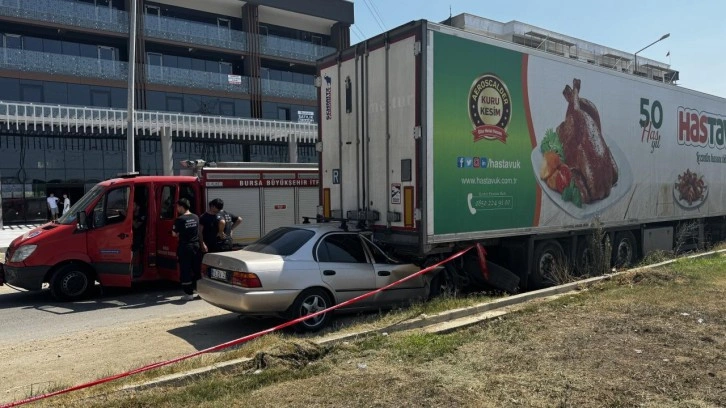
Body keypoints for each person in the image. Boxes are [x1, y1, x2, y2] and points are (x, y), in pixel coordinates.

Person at [171, 198, 201, 301]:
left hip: (185, 247)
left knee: (185, 270)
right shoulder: (196, 217)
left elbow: (174, 234)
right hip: (196, 246)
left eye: (178, 207)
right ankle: (200, 292)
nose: (177, 209)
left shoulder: (180, 219)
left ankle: (189, 294)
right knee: (197, 269)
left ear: (182, 207)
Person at [131, 202, 146, 278]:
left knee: (136, 251)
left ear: (138, 206)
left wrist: (128, 216)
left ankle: (136, 268)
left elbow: (136, 225)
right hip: (133, 236)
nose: (131, 206)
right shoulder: (133, 213)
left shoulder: (142, 214)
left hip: (140, 236)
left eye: (133, 205)